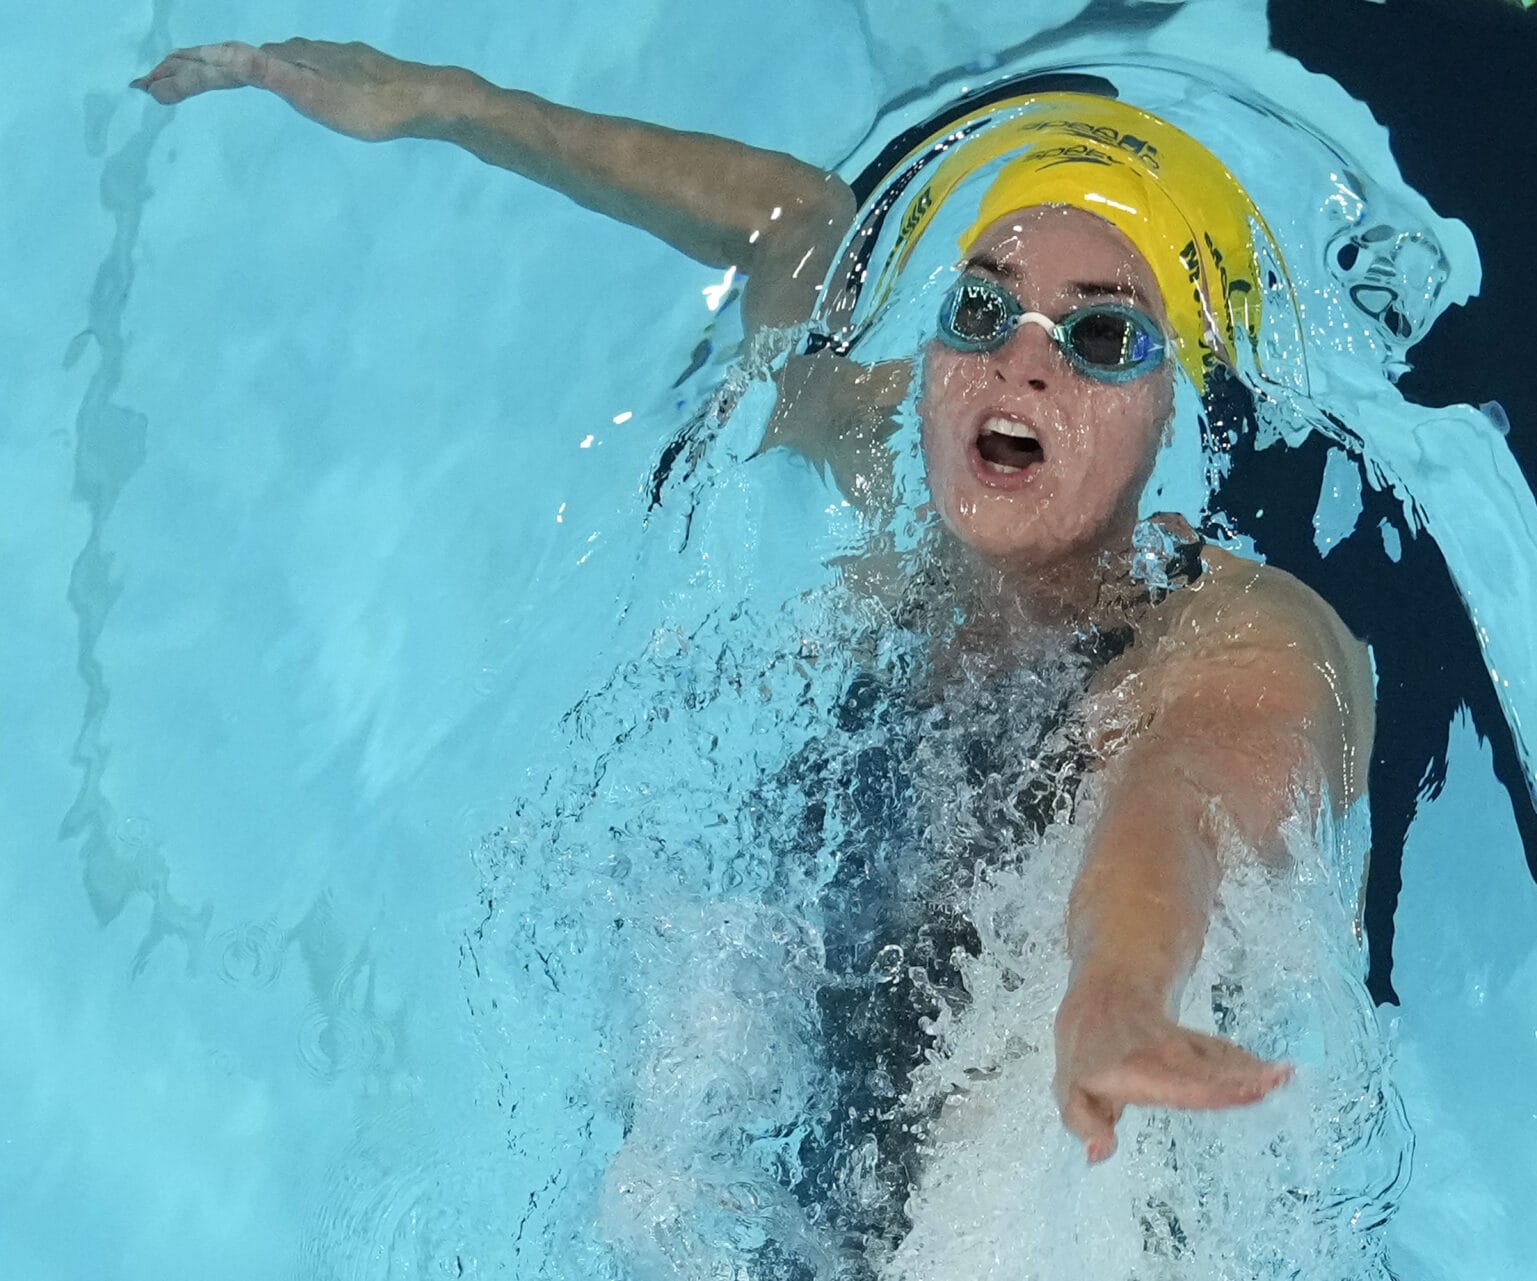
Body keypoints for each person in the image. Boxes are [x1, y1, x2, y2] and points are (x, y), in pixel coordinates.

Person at [135, 39, 1375, 1168]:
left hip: (1044, 1113)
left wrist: (1116, 991)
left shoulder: (1237, 632)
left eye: (1104, 338)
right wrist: (450, 104)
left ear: (1176, 410)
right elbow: (795, 234)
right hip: (790, 1069)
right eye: (983, 308)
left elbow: (1189, 800)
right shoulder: (899, 485)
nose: (1021, 358)